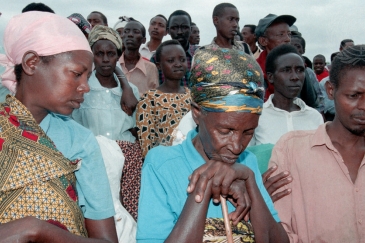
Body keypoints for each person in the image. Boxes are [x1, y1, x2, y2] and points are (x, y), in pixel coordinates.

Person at [137, 47, 289, 242]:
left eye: (248, 133)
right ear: (197, 113)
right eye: (225, 132)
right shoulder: (162, 164)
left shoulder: (247, 162)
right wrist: (207, 182)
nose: (236, 147)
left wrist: (249, 179)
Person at [0, 11, 117, 242]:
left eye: (88, 77)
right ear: (32, 63)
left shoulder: (81, 141)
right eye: (76, 74)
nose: (86, 87)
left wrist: (37, 229)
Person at [268, 44, 365, 242]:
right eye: (353, 96)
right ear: (330, 90)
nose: (363, 106)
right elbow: (280, 228)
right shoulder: (291, 150)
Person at [71, 25, 142, 220]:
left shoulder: (131, 91)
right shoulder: (82, 90)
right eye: (99, 53)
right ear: (92, 55)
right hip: (95, 161)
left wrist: (125, 86)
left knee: (129, 215)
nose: (104, 59)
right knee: (99, 214)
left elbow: (137, 130)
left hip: (128, 164)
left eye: (110, 54)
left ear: (118, 56)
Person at [250, 44, 323, 146]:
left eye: (300, 70)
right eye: (286, 70)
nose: (295, 77)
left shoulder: (314, 117)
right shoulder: (257, 117)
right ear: (270, 77)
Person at [136, 40, 191, 158]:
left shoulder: (192, 96)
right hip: (164, 163)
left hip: (191, 161)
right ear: (159, 65)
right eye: (171, 61)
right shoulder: (150, 99)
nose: (178, 64)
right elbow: (146, 143)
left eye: (182, 59)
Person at [150, 10, 199, 87]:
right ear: (168, 31)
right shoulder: (157, 57)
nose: (179, 32)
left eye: (184, 27)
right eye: (174, 28)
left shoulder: (200, 54)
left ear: (190, 29)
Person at [255, 13, 295, 100]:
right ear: (263, 41)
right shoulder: (253, 70)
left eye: (289, 34)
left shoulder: (300, 68)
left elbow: (313, 103)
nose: (288, 39)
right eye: (281, 35)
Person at [120, 20, 159, 96]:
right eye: (126, 31)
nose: (130, 35)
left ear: (143, 40)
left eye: (136, 32)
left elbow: (154, 97)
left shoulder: (151, 68)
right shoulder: (114, 65)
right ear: (122, 37)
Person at [291, 35, 325, 113]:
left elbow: (319, 98)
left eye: (298, 46)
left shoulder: (309, 72)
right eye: (290, 46)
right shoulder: (280, 70)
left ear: (303, 50)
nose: (294, 49)